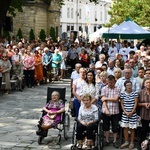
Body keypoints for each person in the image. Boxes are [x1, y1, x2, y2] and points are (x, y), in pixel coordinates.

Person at [101, 75, 120, 148]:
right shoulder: (104, 89)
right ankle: (107, 140)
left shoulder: (118, 88)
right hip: (106, 110)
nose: (110, 84)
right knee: (106, 126)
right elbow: (103, 101)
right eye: (109, 82)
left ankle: (115, 141)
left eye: (112, 82)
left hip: (115, 110)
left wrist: (106, 98)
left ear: (114, 82)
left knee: (115, 127)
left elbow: (116, 99)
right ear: (107, 82)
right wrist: (106, 110)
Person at [120, 80, 138, 149]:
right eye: (127, 85)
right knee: (125, 128)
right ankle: (126, 141)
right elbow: (122, 104)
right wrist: (125, 112)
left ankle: (132, 143)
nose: (129, 86)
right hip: (125, 113)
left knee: (132, 128)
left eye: (130, 85)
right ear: (125, 86)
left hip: (133, 113)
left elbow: (136, 103)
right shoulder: (122, 94)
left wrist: (132, 112)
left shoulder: (134, 93)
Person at [138, 78, 150, 149]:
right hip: (143, 114)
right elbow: (137, 104)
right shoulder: (140, 92)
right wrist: (143, 104)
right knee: (143, 130)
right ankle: (141, 145)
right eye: (147, 82)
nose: (148, 84)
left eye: (149, 82)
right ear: (144, 84)